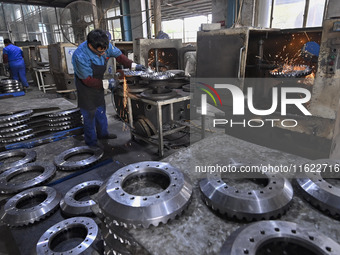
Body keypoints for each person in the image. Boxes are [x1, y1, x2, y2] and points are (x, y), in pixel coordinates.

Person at [72, 29, 145, 147]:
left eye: (104, 51)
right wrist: (108, 84)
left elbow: (119, 56)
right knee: (89, 114)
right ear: (90, 45)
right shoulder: (80, 56)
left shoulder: (104, 45)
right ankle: (91, 143)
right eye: (100, 52)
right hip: (85, 86)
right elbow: (87, 80)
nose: (103, 54)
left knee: (100, 110)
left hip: (98, 82)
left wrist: (134, 65)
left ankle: (103, 134)